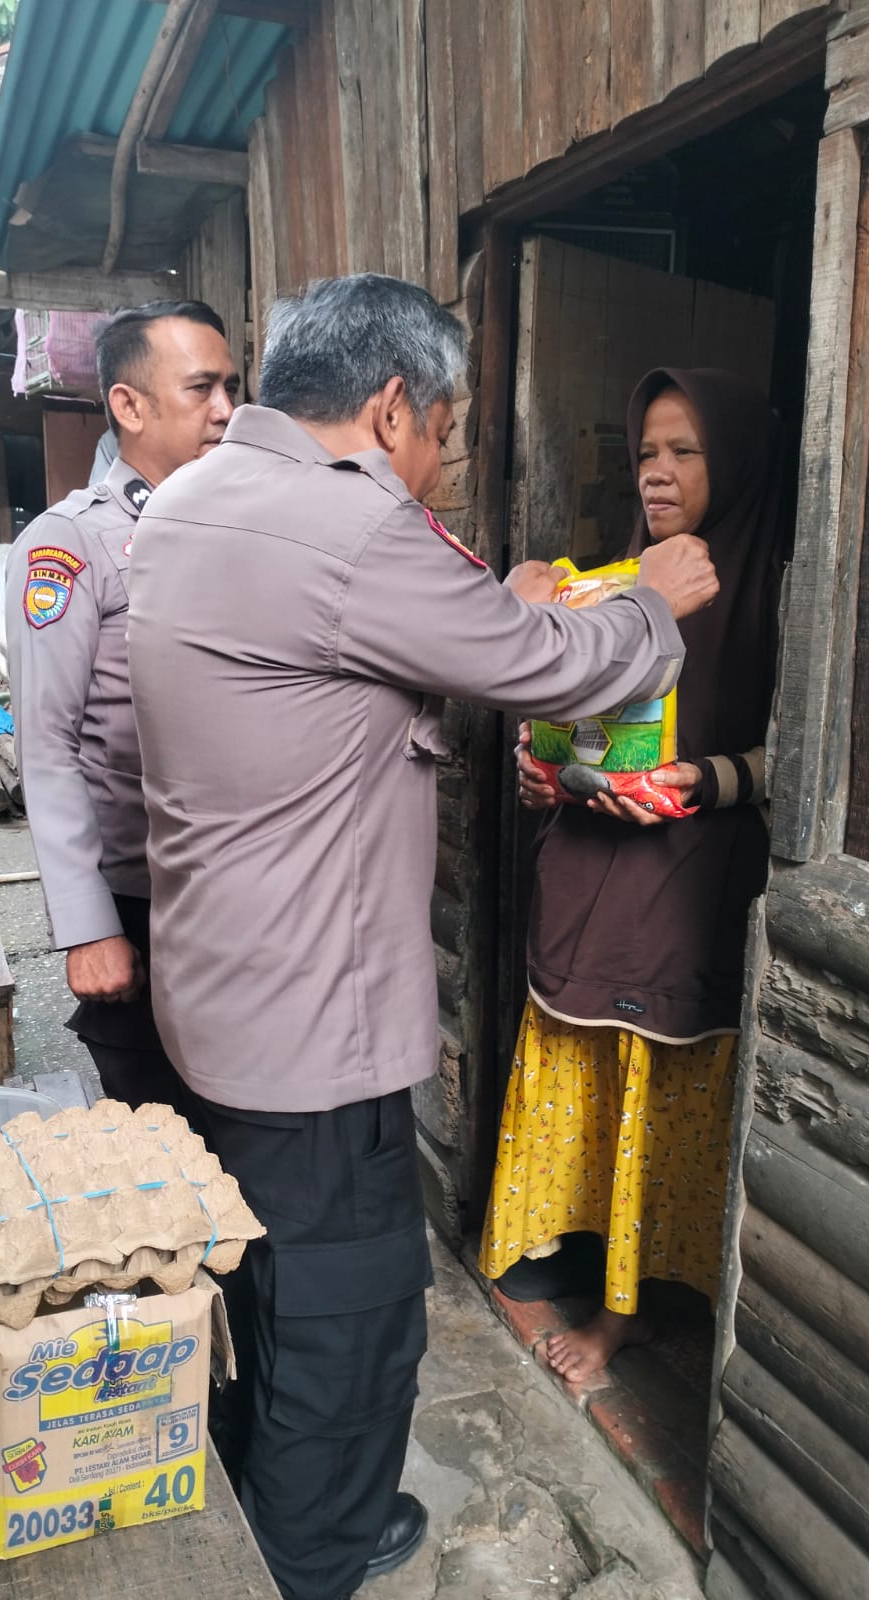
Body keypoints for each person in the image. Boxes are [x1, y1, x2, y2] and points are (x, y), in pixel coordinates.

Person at [127, 276, 719, 1600]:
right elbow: (560, 671)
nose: (440, 469)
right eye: (443, 433)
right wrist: (651, 603)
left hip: (219, 992)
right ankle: (317, 1550)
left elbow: (331, 687)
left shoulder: (190, 501)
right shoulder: (352, 527)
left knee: (264, 1274)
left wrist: (494, 606)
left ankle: (279, 1499)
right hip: (313, 1026)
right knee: (350, 1300)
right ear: (391, 407)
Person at [479, 367, 785, 1385]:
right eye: (646, 452)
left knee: (654, 1103)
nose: (657, 473)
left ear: (730, 462)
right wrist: (542, 771)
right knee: (586, 1073)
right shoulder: (606, 583)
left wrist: (704, 779)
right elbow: (556, 722)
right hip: (586, 872)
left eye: (683, 452)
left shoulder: (777, 591)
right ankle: (568, 1257)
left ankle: (628, 1314)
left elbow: (803, 759)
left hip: (686, 884)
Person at [4, 301, 240, 1107]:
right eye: (203, 388)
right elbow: (47, 744)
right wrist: (88, 925)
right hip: (138, 900)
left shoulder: (245, 529)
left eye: (232, 387)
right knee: (165, 1151)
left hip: (237, 893)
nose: (226, 411)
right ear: (129, 406)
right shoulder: (70, 546)